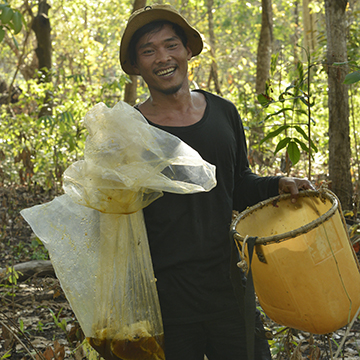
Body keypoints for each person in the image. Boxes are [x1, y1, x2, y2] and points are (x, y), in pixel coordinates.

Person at [119, 4, 314, 360]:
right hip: (164, 298)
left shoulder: (223, 112)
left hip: (227, 286)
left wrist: (279, 183)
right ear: (136, 66)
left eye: (170, 45)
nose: (162, 57)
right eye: (148, 51)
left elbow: (237, 184)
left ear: (188, 50)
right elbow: (115, 215)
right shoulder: (129, 130)